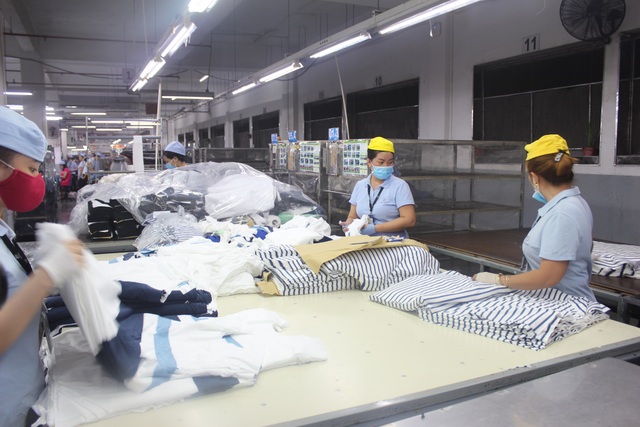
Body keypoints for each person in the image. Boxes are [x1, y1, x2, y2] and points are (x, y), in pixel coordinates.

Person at [0, 106, 86, 426]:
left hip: (21, 396)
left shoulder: (3, 231)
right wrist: (46, 276)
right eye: (32, 169)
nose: (37, 180)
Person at [473, 134, 596, 301]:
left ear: (535, 177)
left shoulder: (562, 214)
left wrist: (500, 280)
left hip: (565, 305)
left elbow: (548, 276)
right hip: (554, 298)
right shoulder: (575, 203)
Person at [339, 137, 416, 238]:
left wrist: (374, 228)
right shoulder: (360, 185)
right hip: (364, 241)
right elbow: (353, 216)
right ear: (369, 162)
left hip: (392, 243)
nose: (386, 166)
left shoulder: (400, 186)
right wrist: (349, 225)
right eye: (381, 162)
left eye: (390, 162)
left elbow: (409, 220)